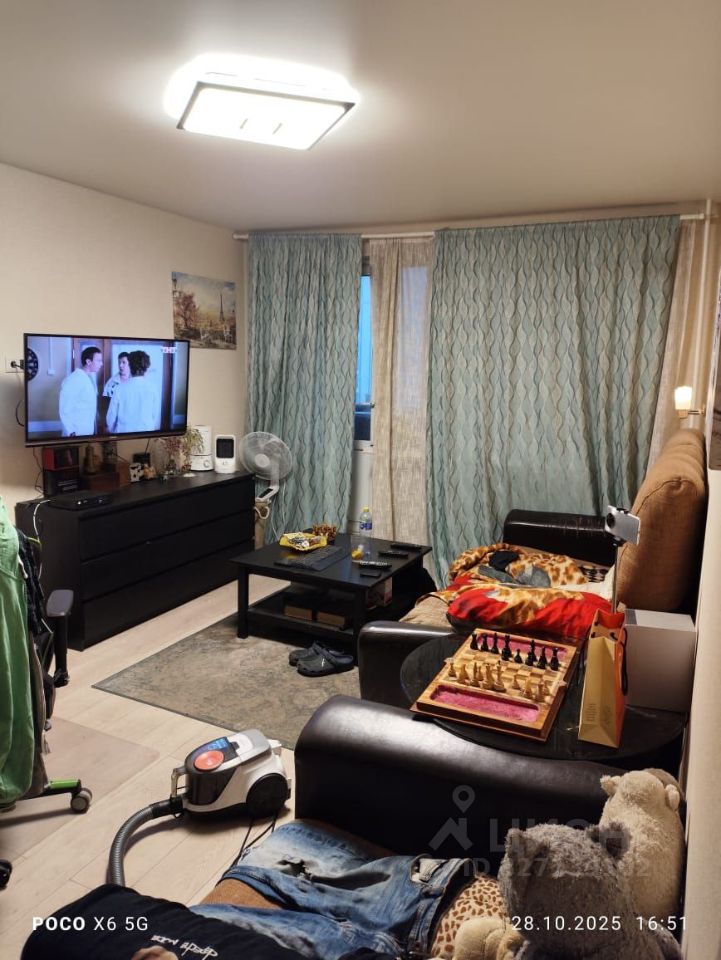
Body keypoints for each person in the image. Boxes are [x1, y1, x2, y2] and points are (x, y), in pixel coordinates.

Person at [106, 350, 158, 434]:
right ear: (146, 367)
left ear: (130, 365)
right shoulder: (152, 388)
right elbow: (155, 416)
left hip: (124, 434)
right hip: (147, 433)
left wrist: (112, 430)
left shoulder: (119, 388)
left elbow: (110, 418)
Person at [58, 345, 102, 437]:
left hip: (87, 431)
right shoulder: (73, 380)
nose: (101, 364)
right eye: (98, 361)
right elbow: (65, 409)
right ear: (88, 361)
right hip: (75, 433)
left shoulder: (89, 379)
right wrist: (71, 433)